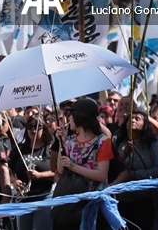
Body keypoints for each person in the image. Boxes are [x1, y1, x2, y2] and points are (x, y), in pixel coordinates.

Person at [52, 98, 113, 230]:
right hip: (70, 204)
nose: (69, 119)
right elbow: (61, 170)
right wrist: (62, 143)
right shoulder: (69, 141)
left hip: (93, 205)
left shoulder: (103, 141)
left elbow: (101, 175)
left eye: (72, 115)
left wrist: (73, 167)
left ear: (81, 118)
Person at [109, 109, 158, 230]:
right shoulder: (117, 142)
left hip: (145, 199)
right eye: (130, 118)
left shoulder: (151, 143)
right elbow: (112, 168)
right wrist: (124, 153)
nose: (133, 120)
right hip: (122, 200)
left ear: (144, 124)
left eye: (137, 118)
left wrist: (136, 175)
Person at [9, 115, 56, 230]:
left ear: (44, 130)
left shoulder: (50, 149)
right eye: (29, 126)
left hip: (44, 196)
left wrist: (40, 176)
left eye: (37, 127)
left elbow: (58, 172)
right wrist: (15, 181)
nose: (32, 130)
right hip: (24, 198)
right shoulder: (19, 149)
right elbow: (9, 170)